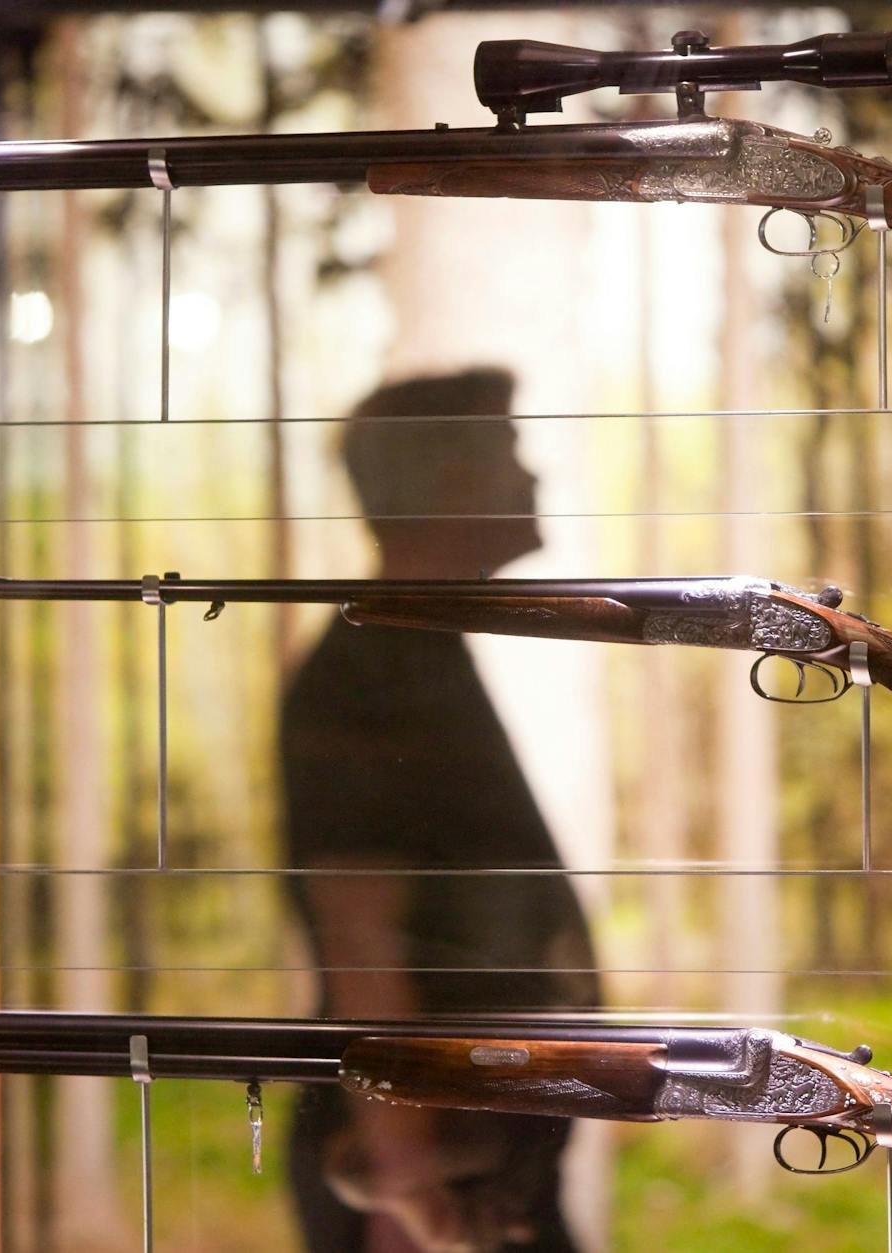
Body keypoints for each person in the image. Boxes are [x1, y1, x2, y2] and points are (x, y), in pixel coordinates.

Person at [280, 369, 599, 1253]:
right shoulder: (370, 671)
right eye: (508, 453)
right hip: (437, 1182)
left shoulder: (412, 654)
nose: (532, 478)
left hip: (472, 1156)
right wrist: (406, 1172)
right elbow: (359, 929)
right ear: (450, 480)